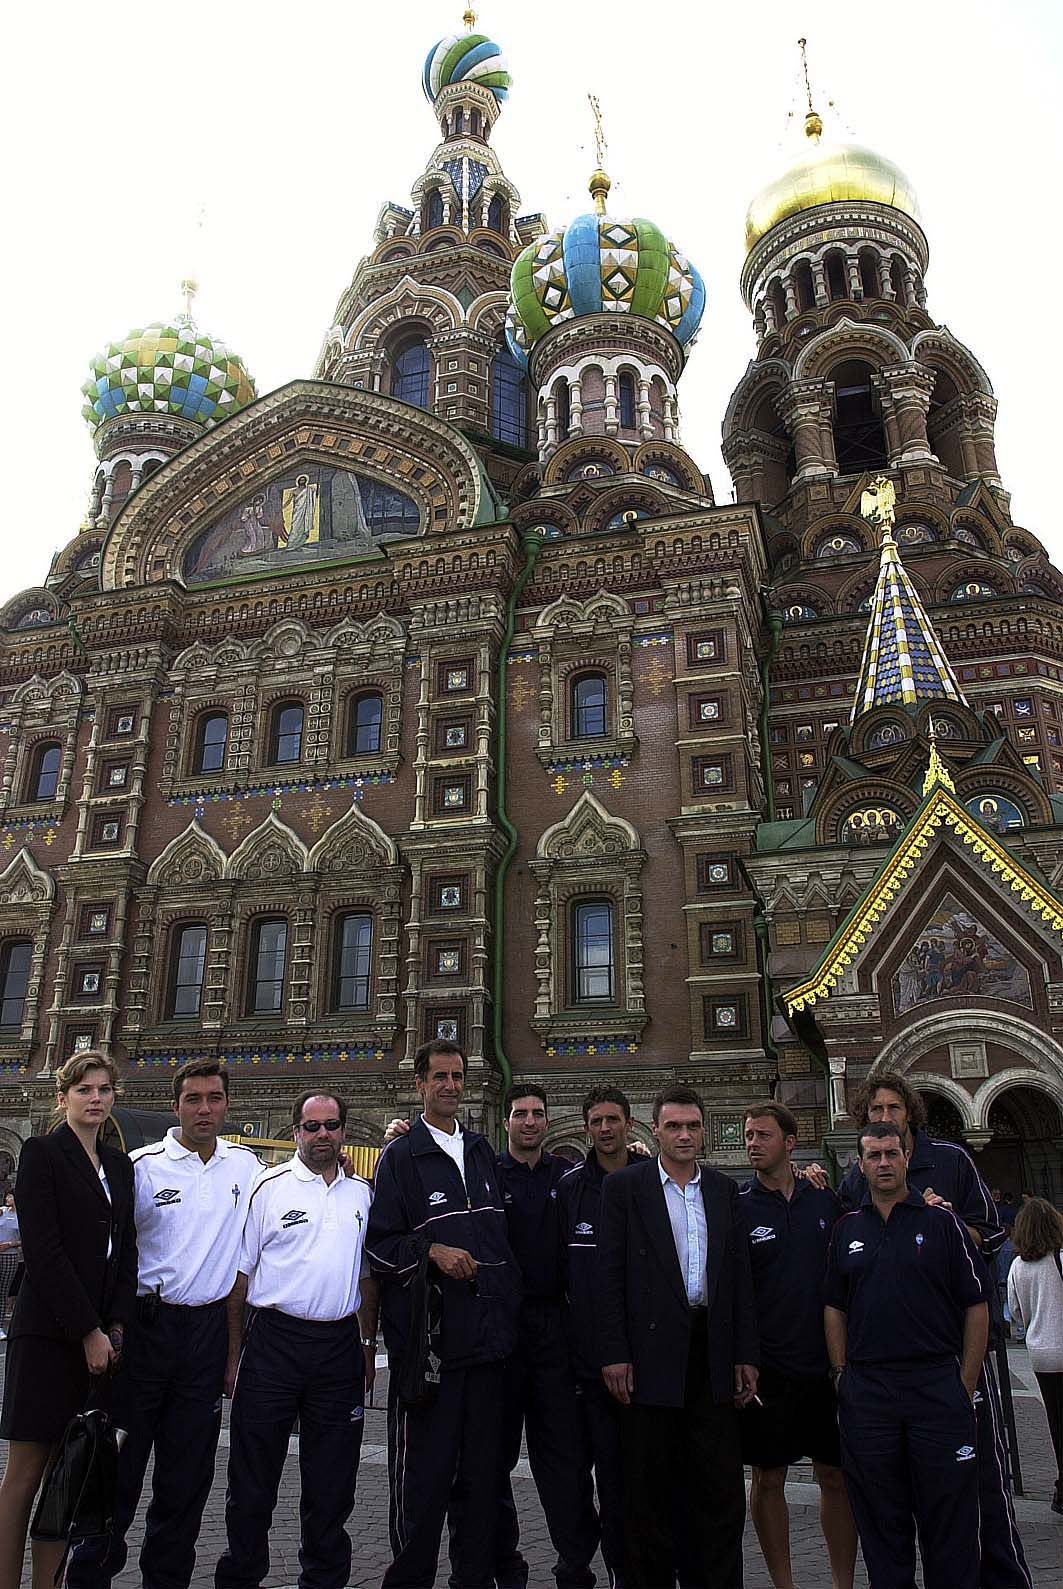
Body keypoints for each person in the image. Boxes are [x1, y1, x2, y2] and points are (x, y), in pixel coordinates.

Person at [68, 1059, 263, 1589]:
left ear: (227, 1105)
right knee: (117, 1470)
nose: (205, 1109)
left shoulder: (245, 1169)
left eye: (215, 1098)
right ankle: (89, 1576)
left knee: (187, 1477)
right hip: (144, 1333)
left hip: (204, 1336)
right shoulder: (142, 1165)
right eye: (194, 1099)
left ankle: (166, 1579)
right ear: (175, 1104)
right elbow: (109, 1251)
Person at [832, 1070, 1031, 1589]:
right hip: (880, 1373)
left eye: (892, 1109)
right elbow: (846, 1257)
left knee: (977, 1477)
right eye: (874, 1112)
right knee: (889, 1495)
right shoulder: (858, 1177)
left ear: (909, 1113)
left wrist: (941, 1221)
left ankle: (1004, 1579)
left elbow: (990, 1236)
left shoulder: (951, 1161)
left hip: (948, 1358)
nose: (884, 1121)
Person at [366, 1040, 521, 1589]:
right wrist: (430, 1251)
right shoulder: (401, 1158)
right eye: (440, 1077)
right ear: (420, 1085)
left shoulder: (481, 1152)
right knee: (423, 1490)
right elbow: (379, 1245)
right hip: (430, 1359)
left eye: (457, 1075)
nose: (451, 1085)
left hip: (488, 1350)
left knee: (481, 1487)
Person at [214, 1090, 377, 1589]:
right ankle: (241, 1576)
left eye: (331, 1126)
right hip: (274, 1344)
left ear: (344, 1131)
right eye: (312, 1127)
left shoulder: (362, 1194)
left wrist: (367, 1348)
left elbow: (368, 1277)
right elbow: (239, 1280)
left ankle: (324, 1579)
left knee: (332, 1482)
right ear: (295, 1132)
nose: (322, 1135)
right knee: (252, 1478)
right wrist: (233, 1355)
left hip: (337, 1348)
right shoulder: (269, 1187)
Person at [597, 1086, 758, 1589]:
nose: (684, 1135)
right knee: (650, 1489)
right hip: (650, 1353)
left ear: (704, 1130)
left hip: (711, 1347)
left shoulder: (724, 1190)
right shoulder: (626, 1188)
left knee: (719, 1487)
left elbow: (738, 1278)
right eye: (673, 1127)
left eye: (692, 1126)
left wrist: (745, 1354)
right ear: (656, 1130)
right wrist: (615, 1353)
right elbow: (608, 1277)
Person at [825, 1120, 989, 1589]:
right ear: (860, 1164)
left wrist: (965, 1383)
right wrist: (841, 1375)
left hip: (936, 1387)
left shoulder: (943, 1224)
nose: (882, 1163)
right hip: (870, 1393)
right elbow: (833, 1307)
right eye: (873, 1156)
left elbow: (975, 1306)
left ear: (905, 1160)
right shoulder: (846, 1229)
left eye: (891, 1154)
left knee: (950, 1524)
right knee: (882, 1521)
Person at [0, 1051, 137, 1589]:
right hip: (50, 1336)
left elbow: (126, 1249)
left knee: (69, 1474)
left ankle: (47, 1584)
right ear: (63, 1098)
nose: (96, 1098)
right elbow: (45, 1250)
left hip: (102, 1340)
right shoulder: (42, 1154)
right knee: (26, 1472)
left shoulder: (119, 1165)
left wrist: (117, 1324)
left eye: (103, 1089)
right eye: (84, 1090)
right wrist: (88, 1330)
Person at [738, 1104, 856, 1589]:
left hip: (826, 1367)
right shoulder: (738, 1207)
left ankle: (842, 1581)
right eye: (747, 1136)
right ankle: (783, 1583)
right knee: (769, 1478)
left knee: (836, 1477)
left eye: (763, 1135)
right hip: (770, 1371)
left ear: (789, 1142)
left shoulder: (824, 1201)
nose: (752, 1143)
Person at [493, 1083, 599, 1589]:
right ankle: (504, 1560)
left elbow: (619, 1178)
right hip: (504, 1330)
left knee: (563, 1456)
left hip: (556, 1329)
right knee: (495, 1456)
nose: (529, 1122)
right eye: (520, 1114)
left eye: (537, 1113)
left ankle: (573, 1563)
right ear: (506, 1123)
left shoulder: (569, 1177)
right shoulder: (488, 1176)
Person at [558, 1085, 643, 1589]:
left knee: (637, 1478)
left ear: (629, 1124)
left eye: (614, 1119)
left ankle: (635, 1568)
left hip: (644, 1358)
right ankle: (587, 1567)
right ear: (586, 1126)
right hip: (587, 1362)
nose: (606, 1129)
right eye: (597, 1121)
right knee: (584, 1475)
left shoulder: (648, 1182)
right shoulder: (571, 1188)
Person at [1006, 1196, 1063, 1515]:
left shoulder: (1018, 1266)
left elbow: (1014, 1311)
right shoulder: (1060, 1259)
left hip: (1040, 1353)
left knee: (1055, 1421)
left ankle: (1061, 1487)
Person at [0, 1193, 21, 1340]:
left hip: (10, 1255)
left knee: (3, 1291)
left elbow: (24, 1239)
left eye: (11, 1197)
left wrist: (10, 1244)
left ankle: (0, 1326)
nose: (8, 1199)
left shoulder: (21, 1215)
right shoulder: (1, 1211)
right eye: (7, 1197)